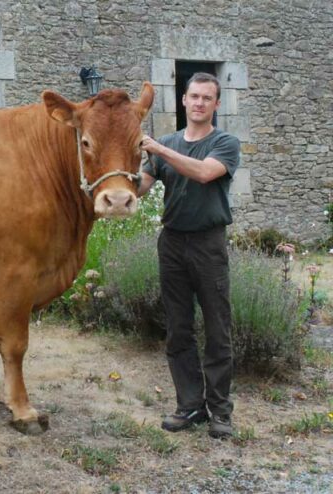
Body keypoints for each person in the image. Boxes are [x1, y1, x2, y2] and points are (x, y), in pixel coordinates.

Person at [138, 72, 241, 439]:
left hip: (208, 245)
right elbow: (140, 188)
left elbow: (202, 173)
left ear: (215, 104)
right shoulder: (162, 144)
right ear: (183, 100)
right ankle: (190, 406)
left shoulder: (225, 143)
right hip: (172, 243)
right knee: (178, 329)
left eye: (206, 98)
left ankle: (221, 412)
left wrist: (159, 149)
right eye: (193, 96)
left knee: (217, 329)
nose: (199, 103)